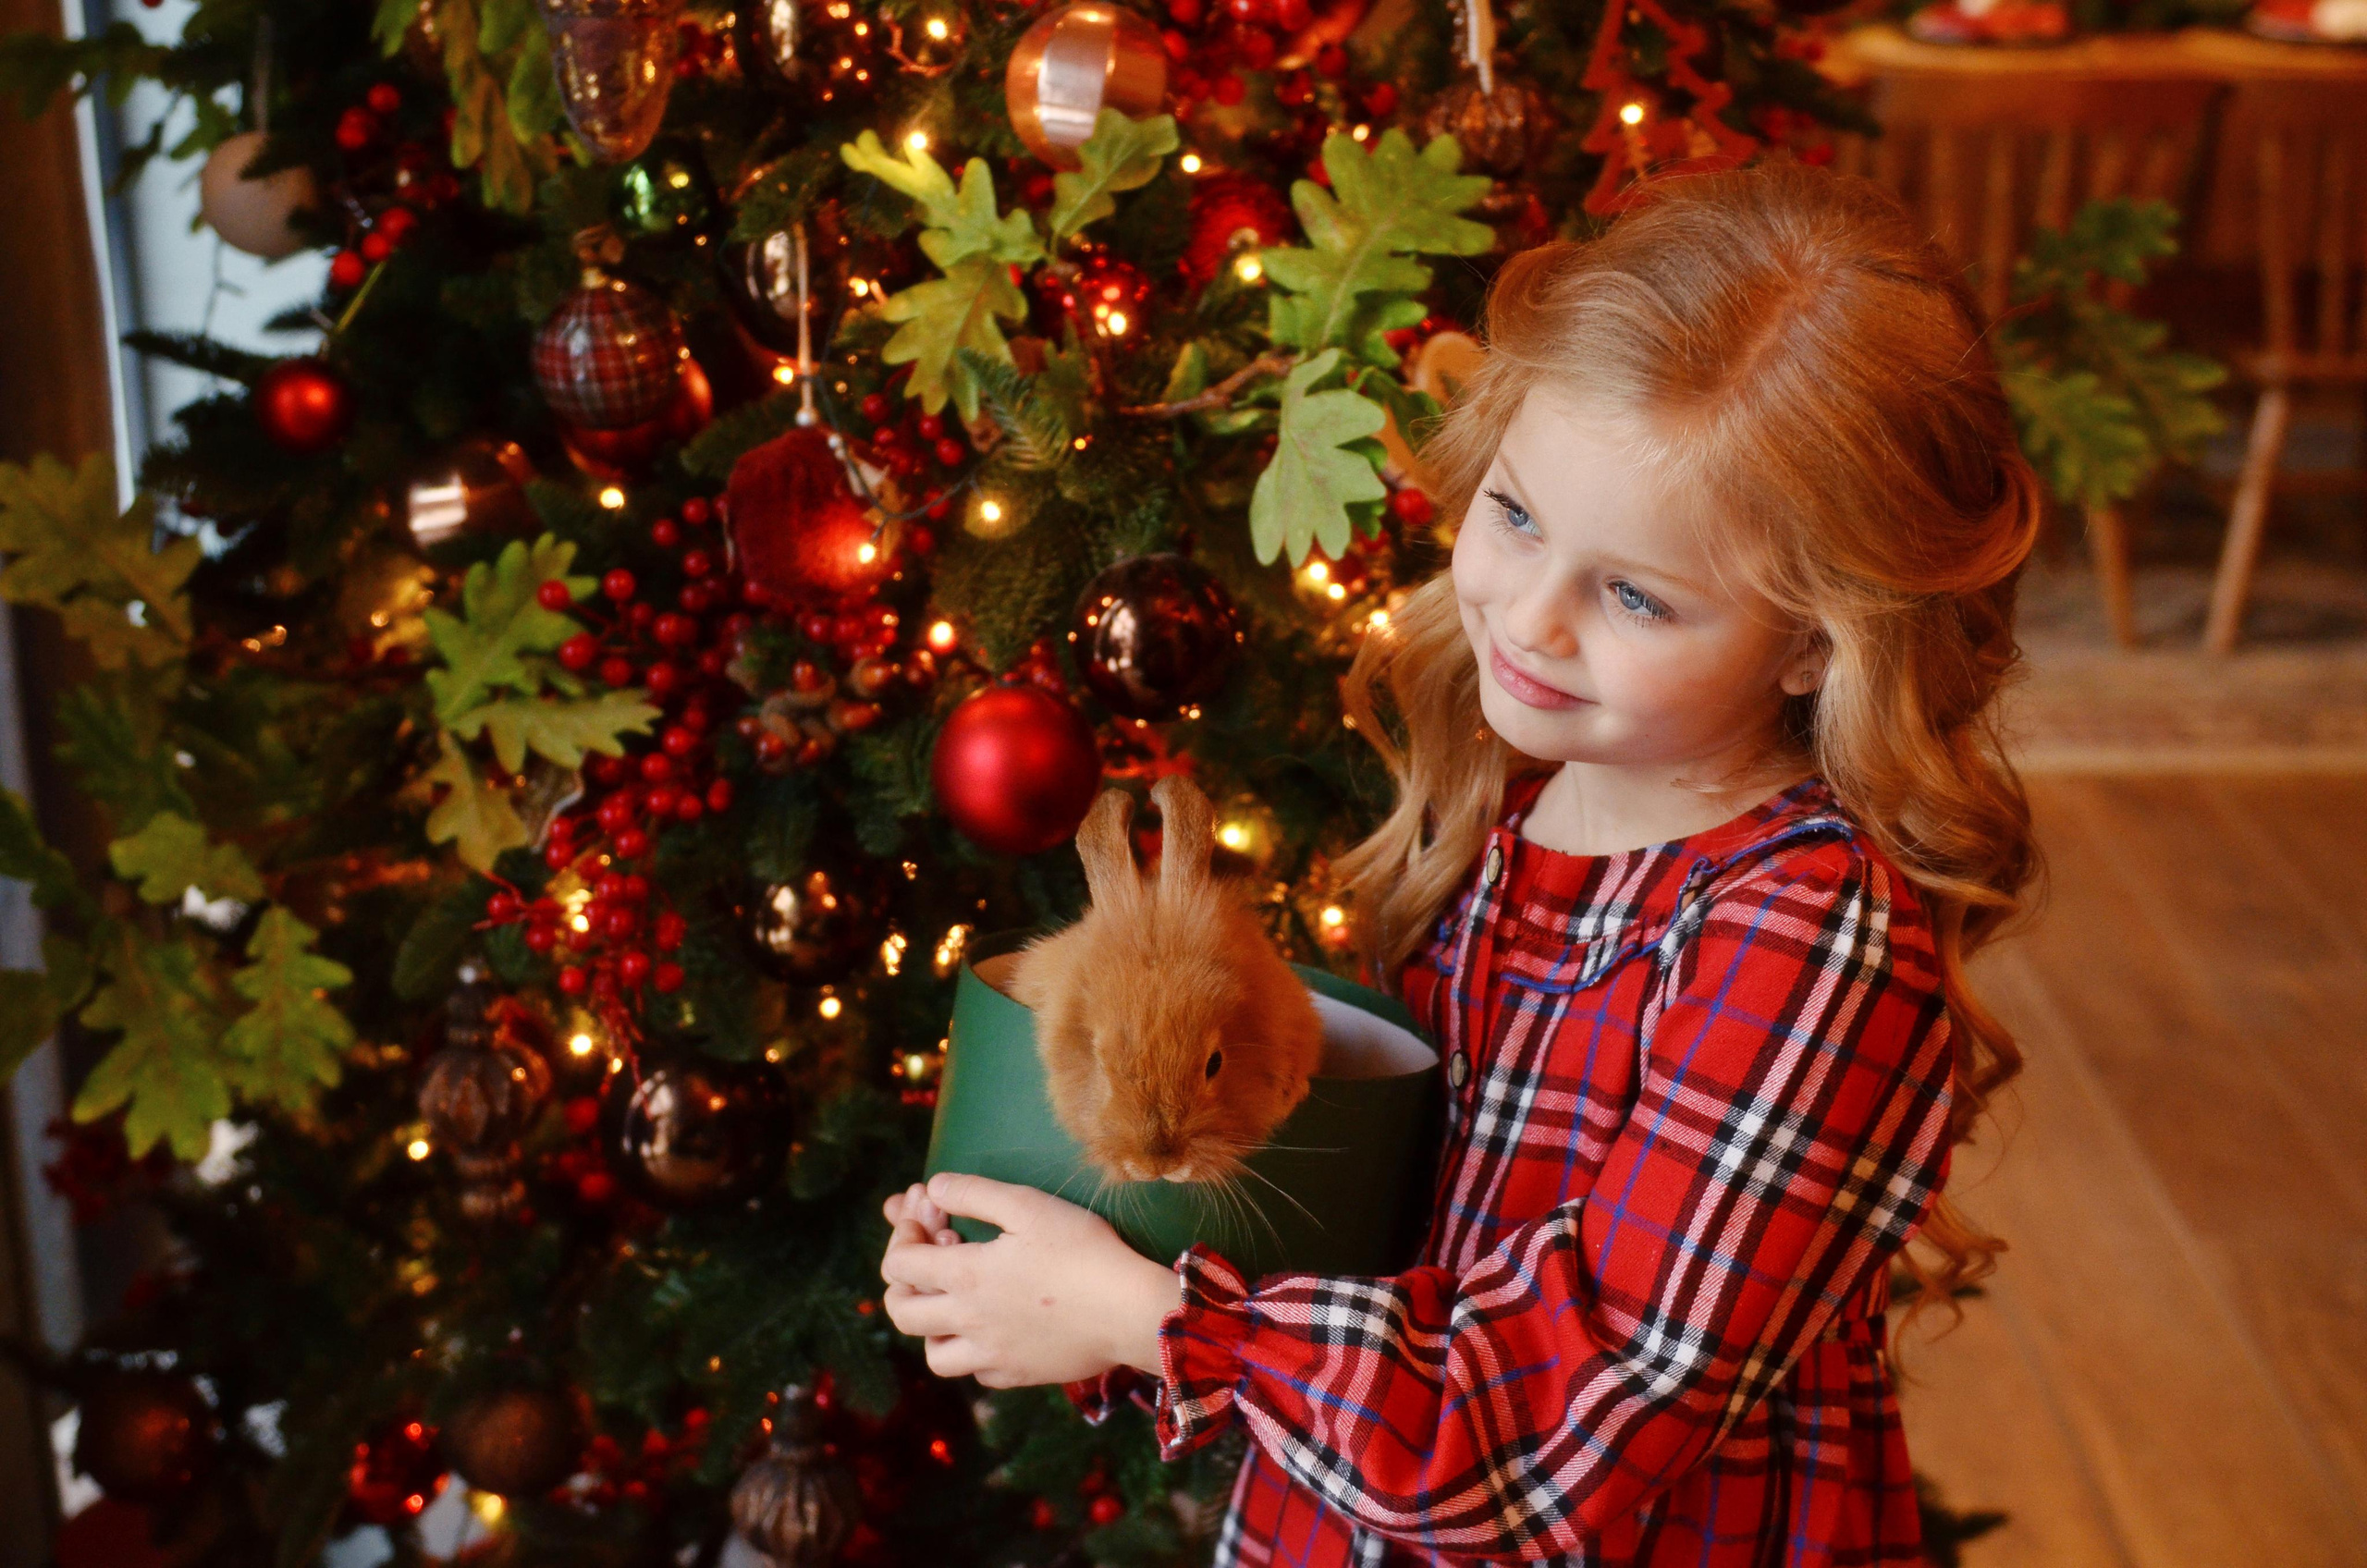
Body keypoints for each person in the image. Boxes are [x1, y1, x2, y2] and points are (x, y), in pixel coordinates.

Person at [877, 161, 2044, 1566]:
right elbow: (1376, 1265)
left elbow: (1561, 1438)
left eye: (1635, 594)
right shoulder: (1515, 815)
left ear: (1819, 640)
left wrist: (1160, 1317)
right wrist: (1070, 1291)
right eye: (1517, 514)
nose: (1533, 622)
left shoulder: (1806, 944)